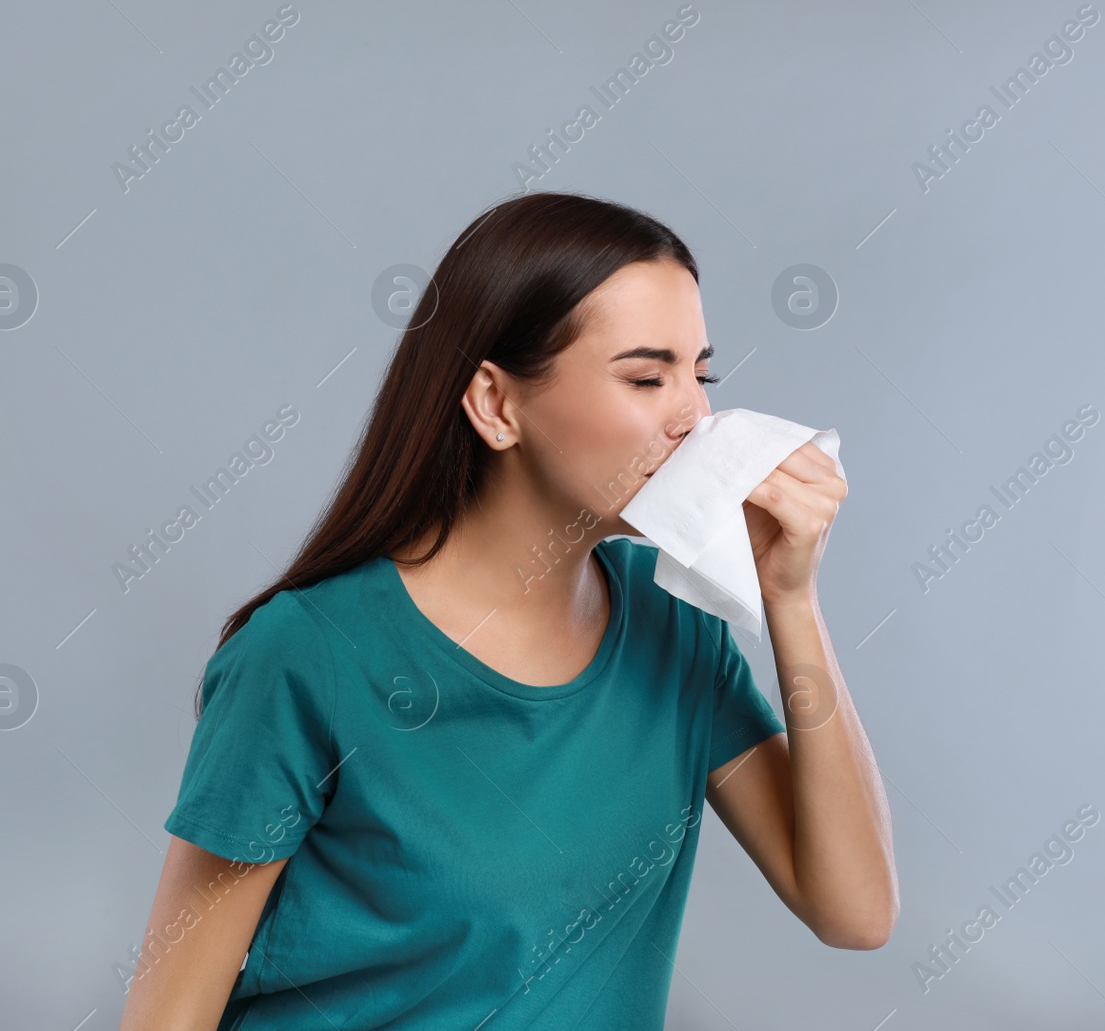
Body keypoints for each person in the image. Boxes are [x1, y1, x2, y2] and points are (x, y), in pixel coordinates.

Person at [118, 192, 898, 1030]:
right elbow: (168, 1015)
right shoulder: (308, 654)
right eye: (646, 377)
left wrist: (790, 596)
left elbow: (853, 912)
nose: (695, 420)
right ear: (495, 404)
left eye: (699, 375)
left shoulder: (674, 623)